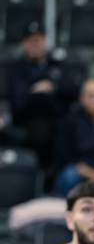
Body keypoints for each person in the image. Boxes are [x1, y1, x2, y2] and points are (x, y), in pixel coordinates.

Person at [8, 26, 81, 169]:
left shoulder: (57, 65)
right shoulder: (16, 69)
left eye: (39, 40)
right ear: (24, 43)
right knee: (41, 133)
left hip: (60, 118)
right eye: (32, 40)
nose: (36, 44)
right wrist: (44, 95)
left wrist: (53, 87)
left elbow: (74, 89)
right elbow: (20, 101)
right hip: (31, 120)